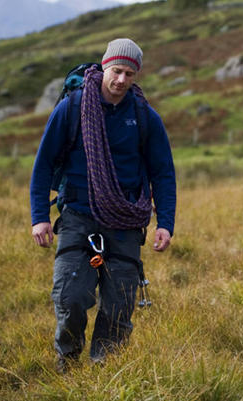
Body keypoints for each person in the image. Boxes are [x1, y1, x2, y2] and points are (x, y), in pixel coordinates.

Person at [29, 38, 176, 372]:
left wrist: (165, 222)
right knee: (71, 296)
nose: (121, 80)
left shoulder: (144, 117)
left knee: (119, 305)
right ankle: (67, 361)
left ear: (136, 75)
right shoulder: (72, 108)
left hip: (125, 220)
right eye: (116, 70)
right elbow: (43, 164)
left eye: (129, 73)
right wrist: (40, 217)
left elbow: (163, 173)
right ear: (103, 66)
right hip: (78, 215)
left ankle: (104, 370)